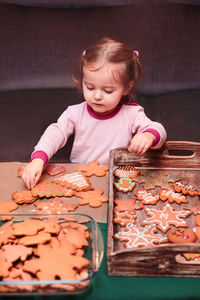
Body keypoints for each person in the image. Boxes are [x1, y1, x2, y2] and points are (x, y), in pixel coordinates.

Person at [22, 37, 167, 189]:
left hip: (120, 179)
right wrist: (38, 159)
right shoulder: (75, 113)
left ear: (126, 87)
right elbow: (55, 133)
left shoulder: (131, 114)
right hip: (81, 179)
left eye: (108, 90)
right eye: (90, 87)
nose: (97, 96)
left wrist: (148, 135)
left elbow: (159, 131)